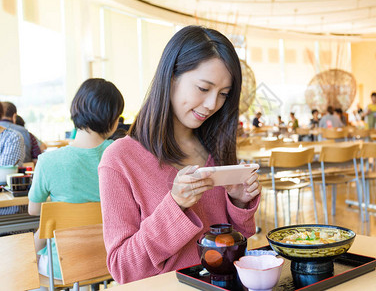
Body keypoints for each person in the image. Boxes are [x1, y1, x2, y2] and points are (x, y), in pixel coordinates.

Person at [98, 25, 261, 284]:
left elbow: (235, 248)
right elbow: (123, 268)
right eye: (203, 88)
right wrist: (175, 205)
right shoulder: (120, 159)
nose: (212, 105)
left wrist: (239, 203)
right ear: (171, 76)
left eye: (223, 95)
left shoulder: (215, 148)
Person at [27, 78, 124, 280]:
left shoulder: (48, 161)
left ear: (75, 110)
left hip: (60, 267)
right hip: (113, 262)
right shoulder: (122, 156)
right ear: (113, 120)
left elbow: (34, 210)